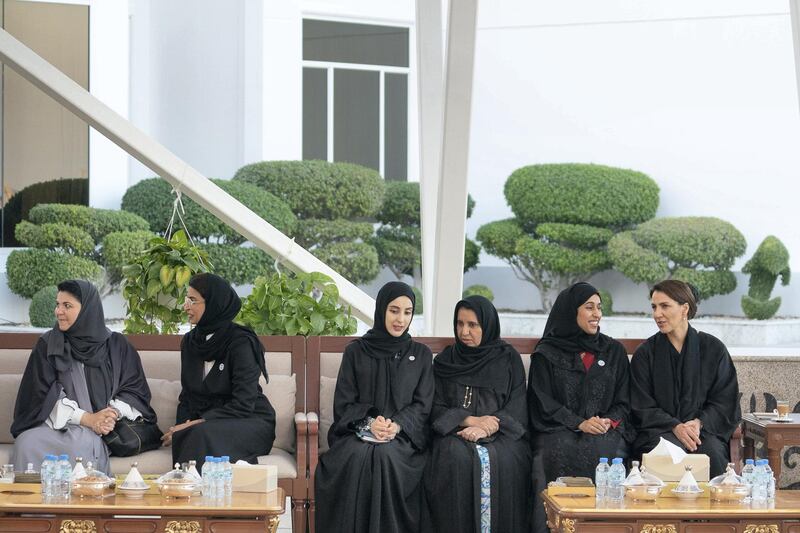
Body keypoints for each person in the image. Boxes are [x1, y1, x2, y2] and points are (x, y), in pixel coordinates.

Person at [315, 281, 434, 533]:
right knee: (359, 458)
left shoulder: (421, 354)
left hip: (403, 438)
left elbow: (423, 404)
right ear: (381, 310)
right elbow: (344, 402)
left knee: (386, 457)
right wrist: (370, 423)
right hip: (357, 433)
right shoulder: (356, 351)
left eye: (407, 312)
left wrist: (397, 425)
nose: (400, 319)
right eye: (394, 310)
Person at [11, 280, 158, 473]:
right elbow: (40, 395)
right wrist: (87, 418)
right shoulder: (47, 345)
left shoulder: (117, 345)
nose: (58, 311)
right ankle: (32, 503)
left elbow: (134, 391)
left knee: (81, 444)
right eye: (58, 304)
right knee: (26, 443)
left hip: (104, 429)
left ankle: (81, 499)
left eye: (67, 306)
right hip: (57, 426)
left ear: (88, 309)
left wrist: (109, 415)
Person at [528, 282, 634, 533]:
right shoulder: (546, 353)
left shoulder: (613, 350)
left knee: (607, 452)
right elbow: (541, 400)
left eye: (599, 307)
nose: (597, 314)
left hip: (604, 431)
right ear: (570, 311)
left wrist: (609, 421)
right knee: (551, 453)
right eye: (589, 307)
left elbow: (624, 400)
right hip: (557, 430)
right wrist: (578, 422)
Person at [424, 295, 531, 533]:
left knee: (508, 461)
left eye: (473, 325)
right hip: (455, 433)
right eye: (460, 324)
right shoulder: (446, 361)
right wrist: (469, 421)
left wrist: (486, 426)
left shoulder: (507, 358)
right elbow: (434, 407)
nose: (464, 331)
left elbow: (517, 405)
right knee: (454, 458)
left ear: (487, 325)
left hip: (502, 433)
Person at [162, 273, 275, 469]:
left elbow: (243, 404)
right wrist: (180, 427)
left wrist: (193, 424)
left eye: (192, 300)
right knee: (191, 434)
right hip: (207, 425)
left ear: (214, 303)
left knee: (199, 433)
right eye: (186, 299)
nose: (185, 306)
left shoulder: (241, 342)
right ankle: (186, 492)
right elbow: (187, 397)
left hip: (249, 421)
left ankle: (192, 492)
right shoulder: (190, 342)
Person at [630, 279, 740, 477]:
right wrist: (675, 426)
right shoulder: (645, 354)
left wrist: (698, 423)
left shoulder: (713, 349)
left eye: (665, 306)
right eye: (654, 307)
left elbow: (725, 400)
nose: (657, 314)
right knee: (667, 455)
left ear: (684, 309)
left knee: (712, 453)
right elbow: (641, 405)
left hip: (702, 433)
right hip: (659, 433)